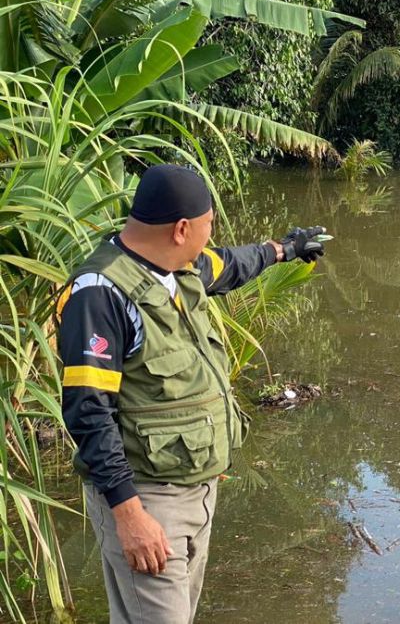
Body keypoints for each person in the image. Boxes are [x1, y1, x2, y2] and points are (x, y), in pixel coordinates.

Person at [58, 164, 326, 624]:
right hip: (146, 499)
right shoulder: (101, 294)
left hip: (196, 492)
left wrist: (284, 248)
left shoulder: (180, 267)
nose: (210, 237)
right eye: (207, 226)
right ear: (181, 229)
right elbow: (88, 413)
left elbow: (234, 264)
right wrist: (129, 515)